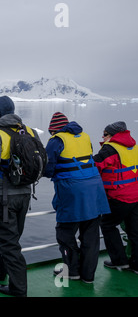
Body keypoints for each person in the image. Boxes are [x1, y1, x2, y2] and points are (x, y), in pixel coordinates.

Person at [0, 95, 41, 297]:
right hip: (25, 194)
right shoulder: (29, 131)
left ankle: (18, 288)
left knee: (9, 243)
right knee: (12, 239)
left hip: (3, 196)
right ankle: (1, 270)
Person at [43, 112, 110, 283]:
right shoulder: (85, 136)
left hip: (72, 191)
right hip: (94, 190)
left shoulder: (57, 140)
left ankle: (71, 271)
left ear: (54, 129)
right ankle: (88, 276)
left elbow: (48, 167)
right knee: (91, 235)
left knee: (65, 234)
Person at [93, 121, 138, 273]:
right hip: (136, 196)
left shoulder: (110, 149)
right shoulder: (133, 147)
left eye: (105, 134)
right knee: (134, 230)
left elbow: (96, 165)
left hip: (119, 197)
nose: (102, 137)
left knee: (107, 225)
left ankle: (119, 261)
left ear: (113, 135)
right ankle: (136, 264)